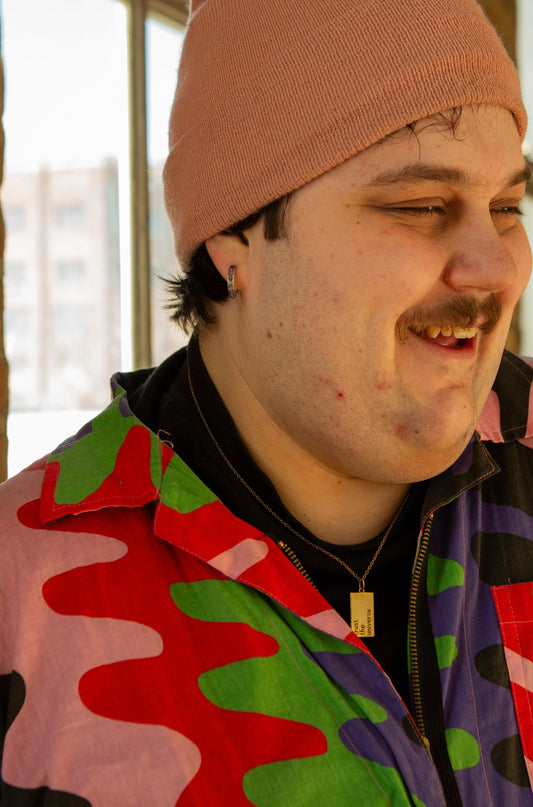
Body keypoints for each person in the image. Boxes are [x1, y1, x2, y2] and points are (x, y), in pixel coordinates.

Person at [1, 0, 533, 804]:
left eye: (506, 206)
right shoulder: (22, 599)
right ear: (233, 241)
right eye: (419, 204)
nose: (492, 266)